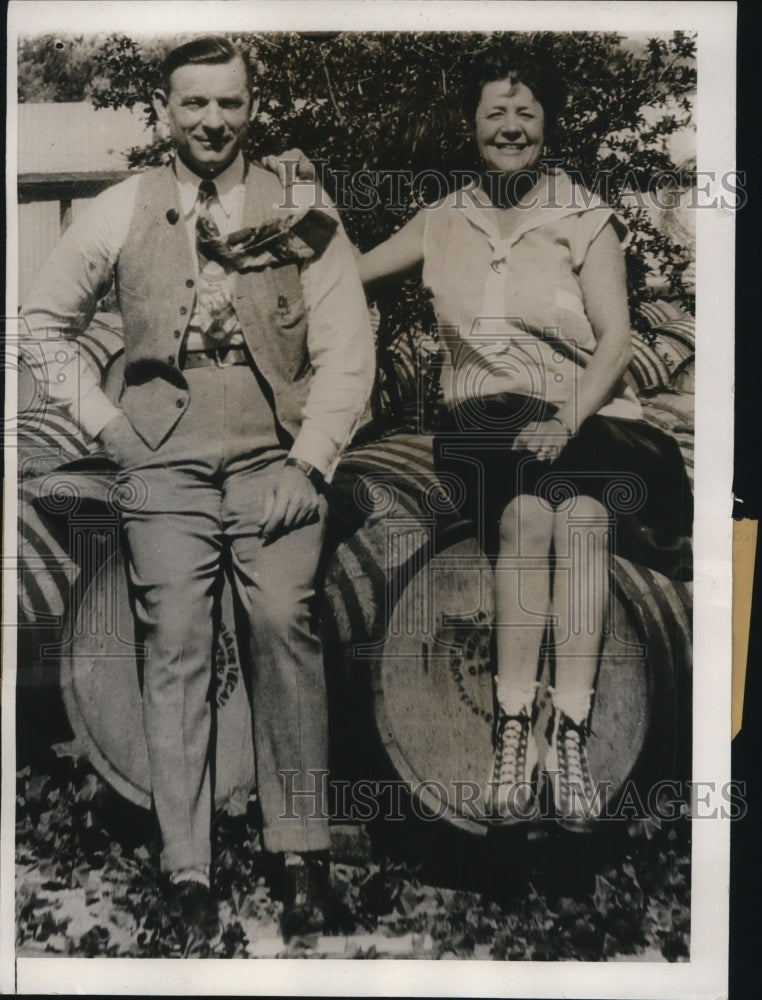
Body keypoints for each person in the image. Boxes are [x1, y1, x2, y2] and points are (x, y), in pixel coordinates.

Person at [268, 46, 692, 832]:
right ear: (471, 127)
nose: (511, 127)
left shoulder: (584, 216)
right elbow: (345, 272)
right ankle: (509, 730)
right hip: (482, 428)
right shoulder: (442, 218)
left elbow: (615, 339)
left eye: (526, 113)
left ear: (548, 127)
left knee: (582, 522)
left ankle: (562, 735)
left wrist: (565, 418)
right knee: (528, 508)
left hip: (587, 427)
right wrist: (300, 207)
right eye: (495, 113)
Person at [21, 36, 374, 940]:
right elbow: (41, 324)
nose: (212, 121)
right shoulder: (117, 208)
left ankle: (301, 859)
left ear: (252, 106)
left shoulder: (299, 204)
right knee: (173, 636)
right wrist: (108, 430)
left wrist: (312, 460)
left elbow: (346, 336)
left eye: (229, 103)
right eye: (194, 105)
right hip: (161, 462)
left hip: (272, 458)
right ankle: (187, 868)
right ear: (164, 111)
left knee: (280, 623)